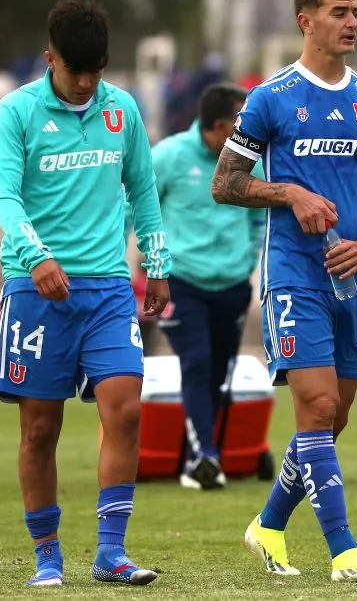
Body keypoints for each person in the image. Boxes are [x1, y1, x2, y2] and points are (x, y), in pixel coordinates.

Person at [210, 0, 357, 582]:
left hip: (356, 281)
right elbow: (226, 184)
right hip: (295, 276)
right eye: (339, 12)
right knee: (317, 407)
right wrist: (291, 191)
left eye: (355, 13)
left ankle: (266, 526)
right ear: (306, 20)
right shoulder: (270, 99)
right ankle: (344, 551)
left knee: (335, 415)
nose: (351, 23)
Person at [0, 0, 171, 587]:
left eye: (96, 71)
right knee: (40, 429)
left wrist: (159, 264)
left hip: (110, 288)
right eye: (75, 71)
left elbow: (142, 190)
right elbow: (4, 197)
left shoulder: (122, 111)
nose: (87, 83)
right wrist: (35, 256)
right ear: (50, 59)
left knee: (127, 410)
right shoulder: (14, 114)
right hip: (37, 289)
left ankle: (111, 553)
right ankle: (47, 554)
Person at [144, 82, 263, 490]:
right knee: (195, 362)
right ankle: (204, 456)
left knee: (218, 371)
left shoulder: (249, 162)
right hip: (183, 282)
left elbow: (260, 216)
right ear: (217, 126)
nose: (247, 132)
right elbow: (140, 207)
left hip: (232, 283)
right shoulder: (169, 156)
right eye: (239, 124)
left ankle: (200, 453)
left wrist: (248, 256)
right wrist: (146, 263)